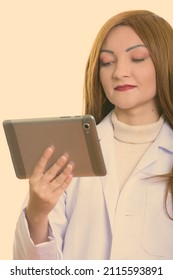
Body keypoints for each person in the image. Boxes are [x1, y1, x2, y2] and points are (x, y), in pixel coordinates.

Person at [13, 9, 173, 260]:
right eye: (107, 62)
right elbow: (31, 271)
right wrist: (37, 213)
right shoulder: (67, 150)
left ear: (166, 62)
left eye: (138, 58)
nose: (119, 72)